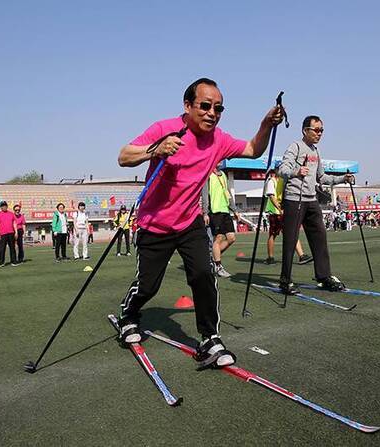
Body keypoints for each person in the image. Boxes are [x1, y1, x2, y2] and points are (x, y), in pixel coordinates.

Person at [114, 77, 284, 368]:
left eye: (218, 108)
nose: (211, 113)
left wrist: (266, 123)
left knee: (204, 276)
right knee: (148, 286)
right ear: (188, 105)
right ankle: (128, 316)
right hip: (154, 224)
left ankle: (210, 338)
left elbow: (253, 149)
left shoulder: (218, 139)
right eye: (205, 106)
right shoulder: (164, 128)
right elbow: (123, 157)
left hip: (190, 222)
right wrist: (155, 149)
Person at [277, 115, 354, 294]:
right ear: (306, 130)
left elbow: (322, 177)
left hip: (311, 200)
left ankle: (323, 276)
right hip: (294, 198)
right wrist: (297, 171)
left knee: (320, 237)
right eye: (316, 130)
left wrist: (343, 178)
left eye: (322, 131)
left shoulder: (316, 152)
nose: (320, 134)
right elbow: (282, 169)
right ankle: (285, 280)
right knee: (290, 240)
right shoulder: (295, 146)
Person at [263, 169, 312, 265]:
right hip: (275, 212)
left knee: (291, 232)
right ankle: (271, 257)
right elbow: (271, 196)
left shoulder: (282, 180)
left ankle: (301, 256)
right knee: (273, 234)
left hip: (283, 211)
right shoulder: (272, 181)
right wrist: (279, 208)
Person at [201, 164, 241, 277]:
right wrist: (205, 213)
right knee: (218, 238)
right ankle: (218, 266)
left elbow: (227, 193)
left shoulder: (223, 174)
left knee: (231, 238)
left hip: (225, 211)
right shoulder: (208, 174)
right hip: (214, 211)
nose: (221, 161)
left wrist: (235, 210)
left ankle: (213, 258)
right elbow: (204, 194)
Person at [0, 201, 19, 267]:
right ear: (0, 207)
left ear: (7, 206)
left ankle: (13, 261)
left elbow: (14, 223)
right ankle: (1, 262)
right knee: (2, 249)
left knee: (12, 248)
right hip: (2, 234)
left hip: (11, 233)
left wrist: (16, 232)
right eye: (2, 206)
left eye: (5, 206)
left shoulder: (11, 214)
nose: (4, 207)